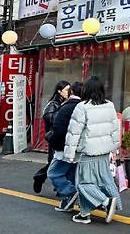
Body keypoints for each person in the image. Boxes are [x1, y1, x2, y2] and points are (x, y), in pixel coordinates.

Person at [65, 76, 121, 225]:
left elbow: (74, 133)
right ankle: (84, 214)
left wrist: (69, 154)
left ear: (87, 90)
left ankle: (106, 202)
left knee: (83, 184)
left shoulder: (82, 107)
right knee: (103, 181)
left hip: (88, 153)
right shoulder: (109, 105)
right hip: (104, 152)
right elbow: (115, 129)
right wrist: (115, 147)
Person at [46, 82, 83, 212]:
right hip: (79, 149)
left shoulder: (66, 107)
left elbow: (59, 129)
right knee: (71, 176)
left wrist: (52, 141)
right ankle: (67, 204)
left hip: (64, 148)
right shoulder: (85, 107)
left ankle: (71, 193)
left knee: (53, 173)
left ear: (71, 92)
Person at [34, 80, 70, 194]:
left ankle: (60, 187)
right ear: (59, 91)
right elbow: (49, 118)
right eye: (66, 90)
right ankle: (39, 177)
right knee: (53, 163)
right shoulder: (53, 104)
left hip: (64, 138)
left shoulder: (66, 103)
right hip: (55, 138)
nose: (68, 92)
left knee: (63, 162)